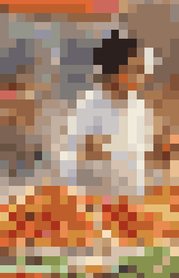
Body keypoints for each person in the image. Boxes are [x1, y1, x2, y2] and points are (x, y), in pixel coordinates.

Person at [59, 31, 155, 196]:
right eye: (136, 69)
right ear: (115, 72)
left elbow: (140, 161)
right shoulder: (88, 107)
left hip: (132, 201)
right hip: (95, 202)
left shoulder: (139, 107)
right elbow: (71, 164)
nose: (143, 75)